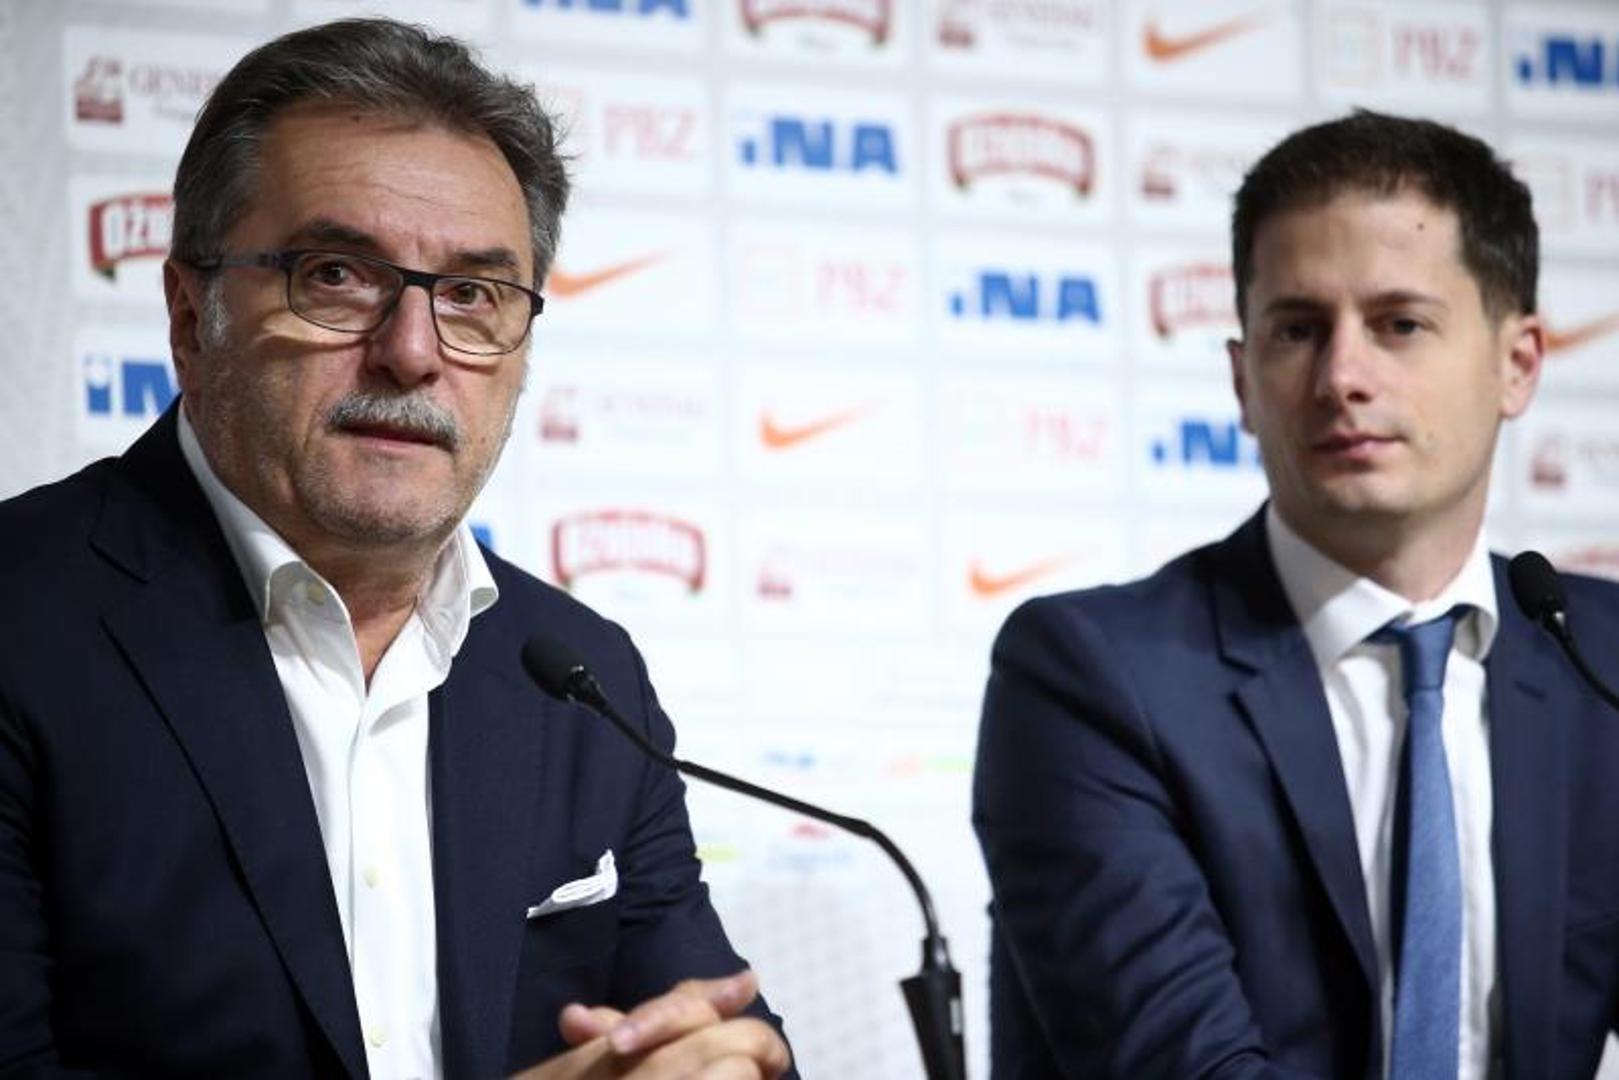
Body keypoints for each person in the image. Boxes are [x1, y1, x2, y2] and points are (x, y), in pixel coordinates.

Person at [0, 18, 792, 1079]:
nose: (412, 352)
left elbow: (706, 1022)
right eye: (336, 275)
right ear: (191, 317)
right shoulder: (22, 619)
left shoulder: (580, 676)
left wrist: (731, 1062)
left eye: (472, 294)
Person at [974, 110, 1619, 1078]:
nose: (1340, 377)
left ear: (1515, 364)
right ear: (1242, 380)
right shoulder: (1091, 678)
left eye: (1398, 324)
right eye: (1296, 330)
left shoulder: (1600, 665)